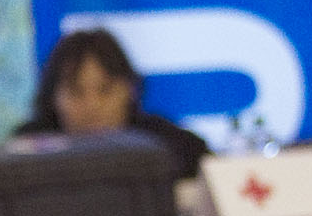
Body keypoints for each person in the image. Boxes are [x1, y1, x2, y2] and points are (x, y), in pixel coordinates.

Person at [14, 28, 210, 178]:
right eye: (76, 92)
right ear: (52, 97)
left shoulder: (168, 144)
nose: (92, 106)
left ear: (130, 90)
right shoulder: (24, 152)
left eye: (105, 89)